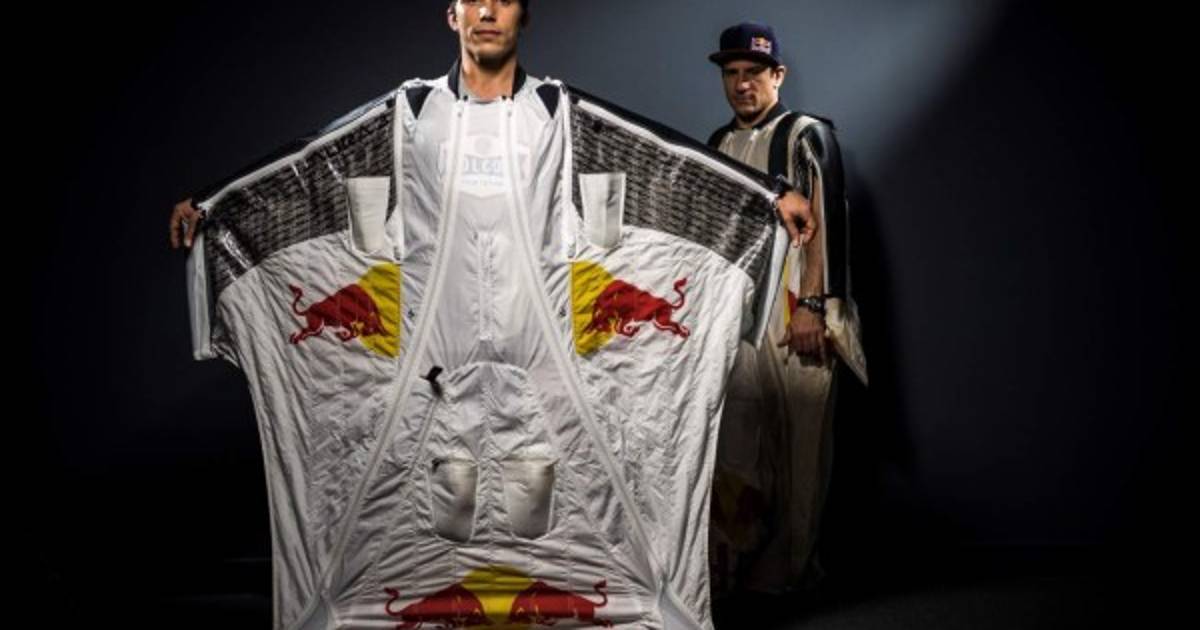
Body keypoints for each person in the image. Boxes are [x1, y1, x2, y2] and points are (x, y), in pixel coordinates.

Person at [167, 3, 822, 628]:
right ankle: (360, 590)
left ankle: (631, 588)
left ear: (522, 16)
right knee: (415, 480)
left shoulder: (555, 110)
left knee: (559, 480)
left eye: (502, 1)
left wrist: (770, 195)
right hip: (435, 340)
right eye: (473, 1)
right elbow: (312, 159)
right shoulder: (415, 111)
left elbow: (657, 150)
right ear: (452, 15)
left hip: (540, 336)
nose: (487, 12)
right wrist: (213, 203)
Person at [705, 21, 868, 598]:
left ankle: (792, 573)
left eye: (754, 72)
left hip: (798, 304)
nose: (742, 84)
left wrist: (815, 307)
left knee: (801, 445)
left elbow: (825, 220)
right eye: (732, 73)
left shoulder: (805, 134)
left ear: (778, 75)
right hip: (742, 314)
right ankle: (735, 561)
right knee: (740, 441)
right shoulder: (720, 141)